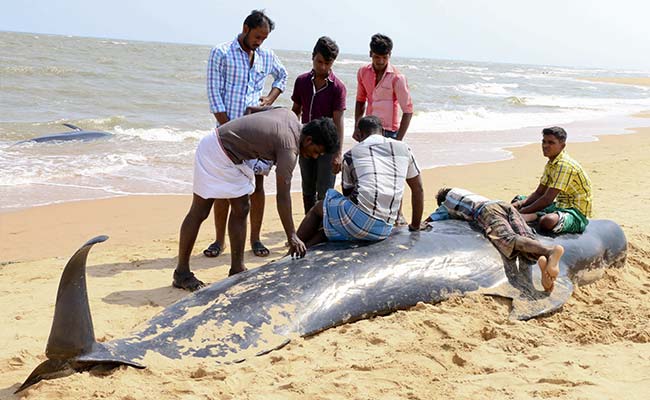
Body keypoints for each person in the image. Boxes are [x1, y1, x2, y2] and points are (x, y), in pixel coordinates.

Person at [173, 108, 339, 291]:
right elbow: (283, 196)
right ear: (308, 140)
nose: (314, 157)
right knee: (202, 211)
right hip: (219, 154)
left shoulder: (290, 115)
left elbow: (251, 110)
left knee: (240, 207)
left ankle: (236, 269)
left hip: (219, 145)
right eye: (316, 151)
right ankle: (183, 273)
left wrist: (247, 142)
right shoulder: (289, 149)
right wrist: (292, 235)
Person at [206, 9, 288, 259]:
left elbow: (282, 76)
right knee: (224, 187)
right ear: (245, 28)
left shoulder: (266, 55)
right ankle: (219, 241)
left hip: (256, 133)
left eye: (264, 38)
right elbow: (214, 94)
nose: (260, 42)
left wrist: (270, 97)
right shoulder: (221, 52)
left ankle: (255, 238)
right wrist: (228, 129)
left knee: (257, 185)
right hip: (226, 133)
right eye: (257, 36)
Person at [297, 116, 423, 247]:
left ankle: (293, 248)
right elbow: (418, 189)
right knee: (332, 227)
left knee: (319, 208)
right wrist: (415, 226)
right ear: (383, 132)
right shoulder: (404, 149)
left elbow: (348, 194)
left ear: (360, 134)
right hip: (384, 229)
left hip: (360, 221)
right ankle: (305, 248)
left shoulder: (351, 154)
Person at [428, 187, 564, 292]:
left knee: (508, 239)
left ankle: (549, 251)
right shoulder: (462, 192)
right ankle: (544, 274)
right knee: (526, 237)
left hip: (486, 210)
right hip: (503, 205)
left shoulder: (446, 203)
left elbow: (433, 218)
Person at [291, 36, 347, 214]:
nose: (322, 67)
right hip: (305, 143)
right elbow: (295, 111)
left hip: (326, 146)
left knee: (324, 190)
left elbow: (338, 121)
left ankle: (323, 228)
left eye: (327, 63)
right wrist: (291, 140)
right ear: (313, 56)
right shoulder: (301, 81)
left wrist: (338, 153)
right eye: (319, 61)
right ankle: (309, 224)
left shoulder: (338, 87)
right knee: (307, 188)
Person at [512, 126, 592, 234]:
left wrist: (520, 212)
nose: (545, 146)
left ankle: (535, 216)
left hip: (574, 212)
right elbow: (539, 192)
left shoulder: (565, 165)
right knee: (519, 199)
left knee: (547, 221)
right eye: (544, 142)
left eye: (551, 143)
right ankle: (533, 215)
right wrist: (518, 205)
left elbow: (547, 199)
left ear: (562, 146)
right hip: (558, 205)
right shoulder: (551, 164)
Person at [354, 34, 413, 141]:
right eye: (377, 57)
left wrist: (398, 140)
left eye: (384, 57)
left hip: (389, 132)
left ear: (389, 55)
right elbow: (360, 101)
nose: (380, 61)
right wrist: (357, 127)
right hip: (368, 130)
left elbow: (408, 110)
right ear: (370, 54)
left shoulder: (397, 78)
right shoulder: (363, 72)